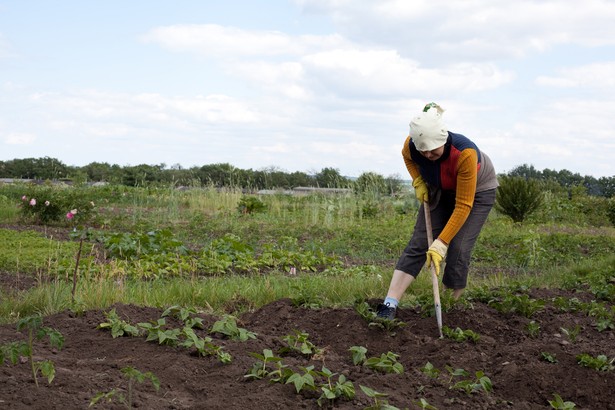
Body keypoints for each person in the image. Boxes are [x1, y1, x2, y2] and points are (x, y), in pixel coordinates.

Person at [376, 102, 499, 320]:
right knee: (419, 242)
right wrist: (418, 181)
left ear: (443, 140)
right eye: (424, 151)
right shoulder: (413, 146)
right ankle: (389, 304)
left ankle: (449, 305)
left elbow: (463, 205)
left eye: (434, 150)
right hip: (440, 187)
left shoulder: (465, 154)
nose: (429, 155)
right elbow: (408, 157)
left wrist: (441, 244)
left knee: (458, 248)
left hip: (477, 193)